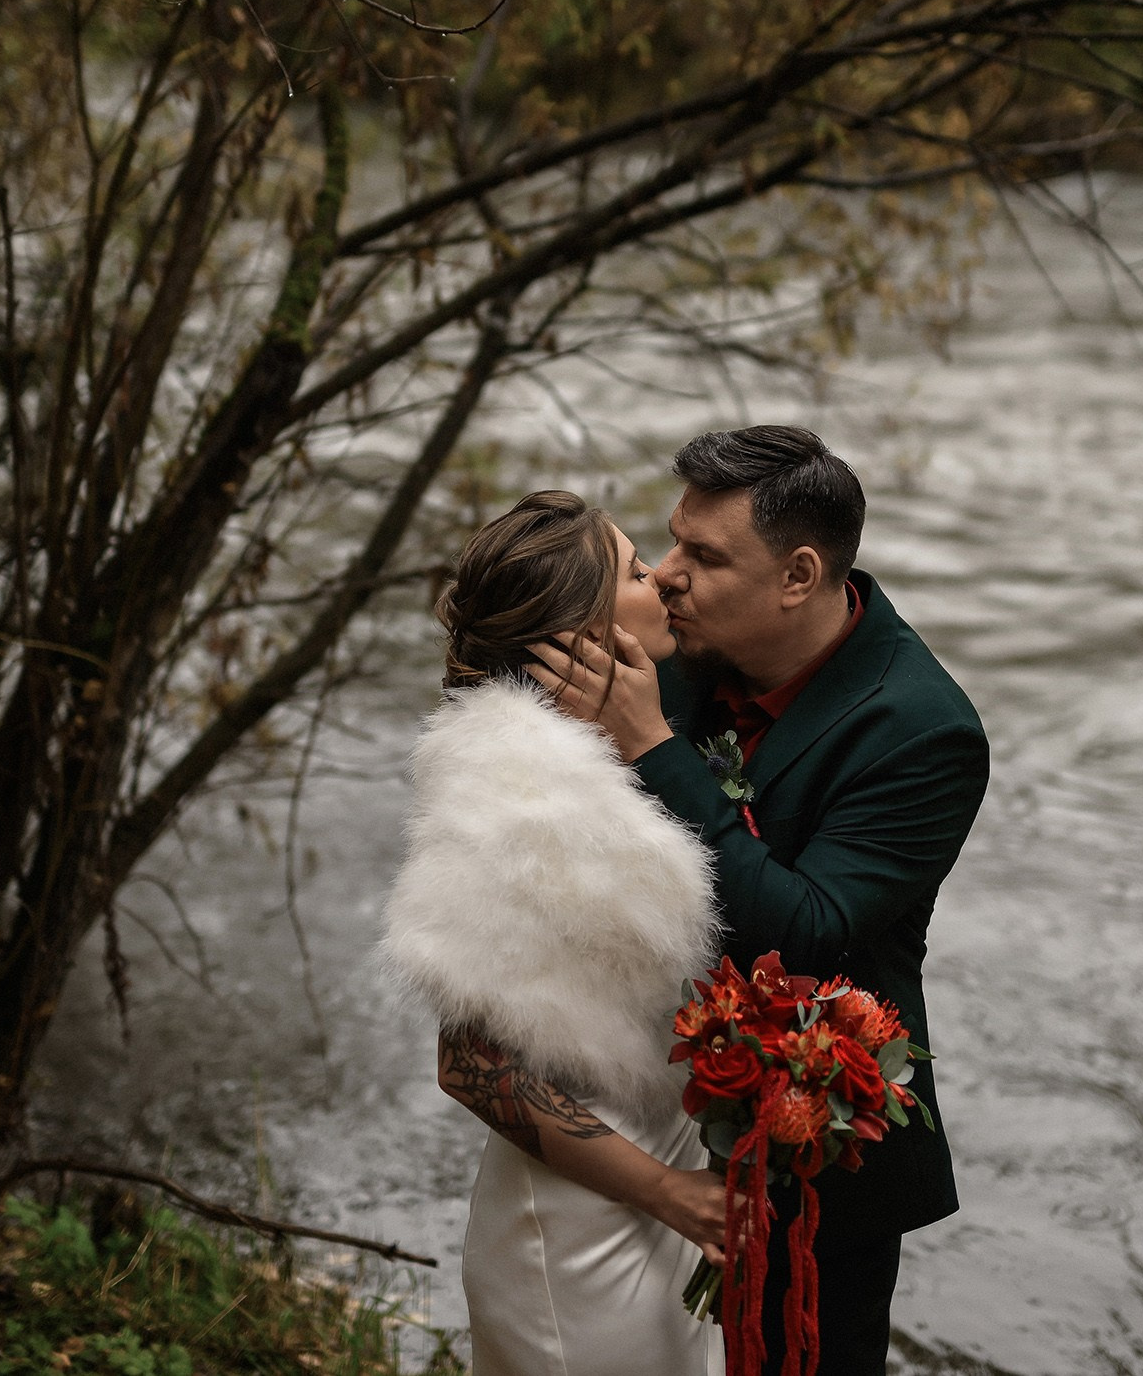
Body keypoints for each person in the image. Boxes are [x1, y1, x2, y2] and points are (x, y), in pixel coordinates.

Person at [528, 426, 990, 1376]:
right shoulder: (675, 649)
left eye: (704, 555)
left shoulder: (922, 729)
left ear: (799, 574)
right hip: (642, 1122)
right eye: (669, 542)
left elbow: (810, 935)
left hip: (814, 1148)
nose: (666, 575)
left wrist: (653, 751)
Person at [380, 491, 729, 1376]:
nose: (666, 584)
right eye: (640, 573)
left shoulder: (616, 749)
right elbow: (468, 1065)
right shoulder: (518, 794)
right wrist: (675, 1196)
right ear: (583, 631)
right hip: (576, 1227)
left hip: (658, 1192)